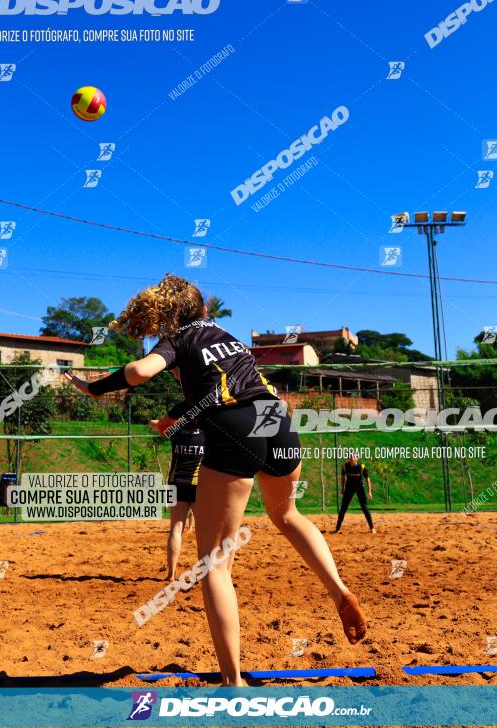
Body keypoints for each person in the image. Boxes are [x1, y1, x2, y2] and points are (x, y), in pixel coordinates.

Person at [65, 274, 366, 686]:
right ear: (206, 311)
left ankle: (233, 682)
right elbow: (217, 391)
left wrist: (96, 388)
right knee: (289, 514)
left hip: (236, 427)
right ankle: (338, 590)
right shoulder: (226, 335)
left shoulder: (178, 340)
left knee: (215, 563)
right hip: (277, 419)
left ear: (167, 319)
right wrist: (174, 418)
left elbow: (138, 371)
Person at [149, 390, 205, 581]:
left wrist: (169, 421)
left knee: (175, 529)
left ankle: (171, 574)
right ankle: (205, 574)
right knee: (203, 533)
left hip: (176, 484)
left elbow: (155, 424)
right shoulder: (208, 433)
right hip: (198, 486)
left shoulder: (176, 431)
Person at [334, 453, 375, 534]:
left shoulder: (362, 467)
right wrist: (342, 488)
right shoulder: (345, 466)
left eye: (353, 457)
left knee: (364, 507)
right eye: (350, 457)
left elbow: (367, 479)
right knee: (343, 507)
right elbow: (343, 477)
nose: (351, 458)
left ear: (357, 458)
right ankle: (337, 528)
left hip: (359, 486)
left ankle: (372, 528)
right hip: (349, 487)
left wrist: (369, 491)